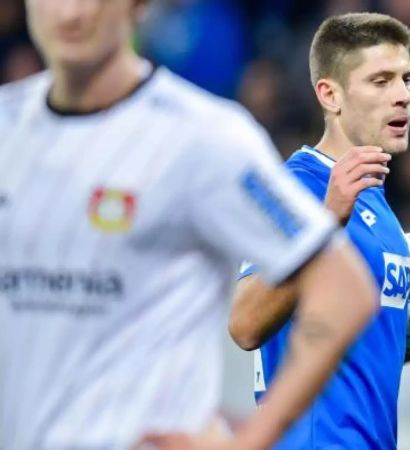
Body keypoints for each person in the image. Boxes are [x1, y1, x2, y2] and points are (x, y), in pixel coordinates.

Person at [0, 0, 378, 448]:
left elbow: (345, 290)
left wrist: (253, 439)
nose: (71, 13)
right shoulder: (9, 128)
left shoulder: (204, 138)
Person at [228, 12, 410, 450]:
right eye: (381, 81)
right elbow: (244, 324)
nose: (403, 95)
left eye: (408, 79)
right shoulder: (298, 188)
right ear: (330, 94)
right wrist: (327, 221)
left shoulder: (375, 204)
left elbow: (351, 351)